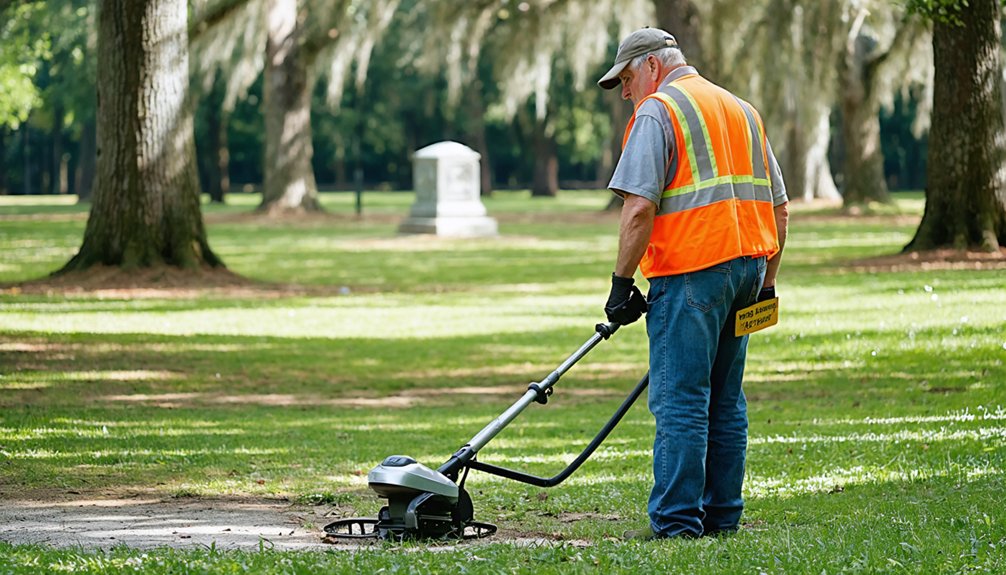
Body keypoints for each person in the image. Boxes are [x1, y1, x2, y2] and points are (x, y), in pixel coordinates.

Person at [597, 27, 790, 539]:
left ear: (653, 66)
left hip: (692, 273)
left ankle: (678, 522)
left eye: (628, 78)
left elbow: (639, 206)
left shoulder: (660, 110)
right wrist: (767, 281)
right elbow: (779, 206)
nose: (626, 91)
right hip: (749, 267)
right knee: (726, 399)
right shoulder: (741, 110)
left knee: (681, 399)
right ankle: (723, 515)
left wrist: (620, 284)